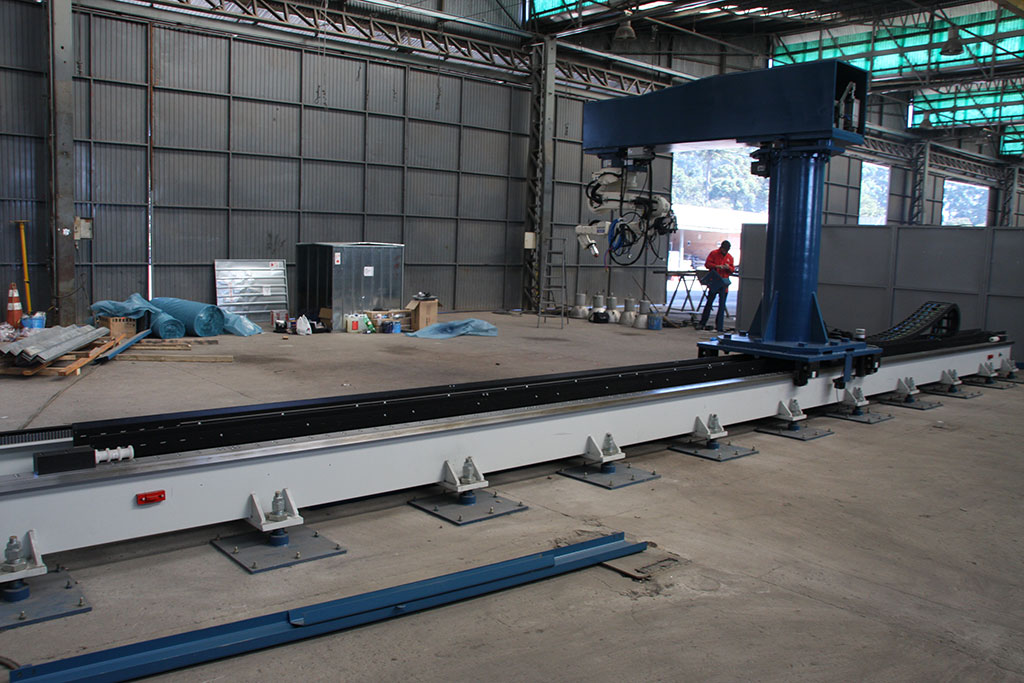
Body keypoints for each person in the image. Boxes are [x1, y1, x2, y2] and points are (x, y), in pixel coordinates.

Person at [699, 240, 734, 332]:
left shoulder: (729, 257)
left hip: (724, 283)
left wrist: (728, 268)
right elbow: (707, 264)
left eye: (726, 250)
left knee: (722, 305)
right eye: (723, 249)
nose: (725, 251)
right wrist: (717, 266)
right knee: (709, 303)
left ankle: (719, 325)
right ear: (721, 248)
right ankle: (702, 323)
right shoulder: (714, 254)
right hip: (714, 282)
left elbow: (732, 269)